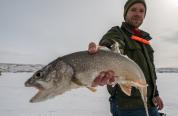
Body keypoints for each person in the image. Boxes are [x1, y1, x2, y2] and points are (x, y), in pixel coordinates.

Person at [88, 0, 164, 116]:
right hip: (128, 107)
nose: (137, 13)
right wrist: (106, 51)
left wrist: (155, 94)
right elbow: (113, 44)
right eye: (133, 10)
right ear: (125, 13)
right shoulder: (117, 32)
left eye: (141, 11)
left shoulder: (145, 42)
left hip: (150, 103)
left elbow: (150, 73)